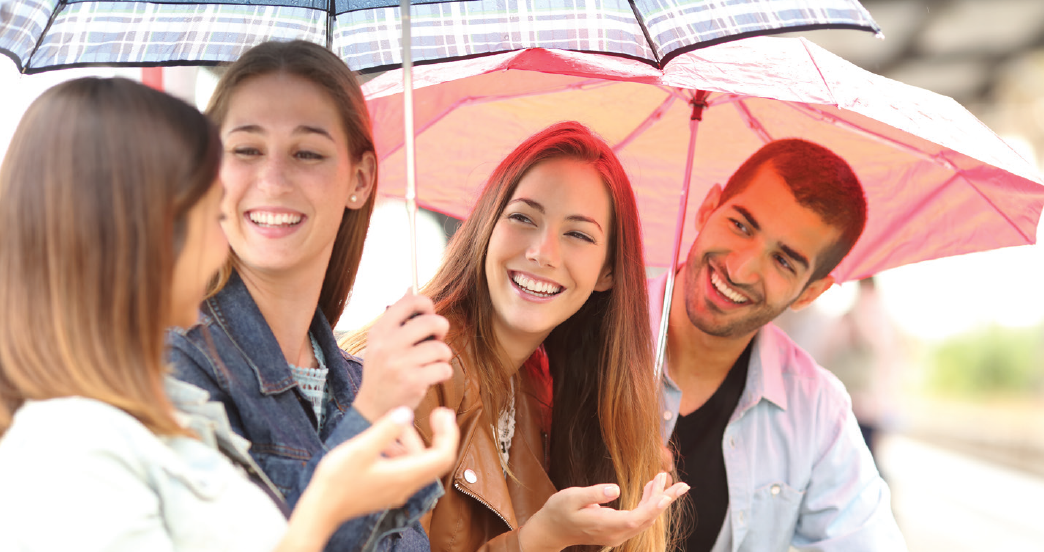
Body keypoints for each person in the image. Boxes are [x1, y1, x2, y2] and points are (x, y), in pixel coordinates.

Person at [0, 77, 459, 552]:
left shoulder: (169, 419)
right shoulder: (71, 442)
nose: (223, 237)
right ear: (136, 232)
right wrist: (327, 502)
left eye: (307, 153)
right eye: (209, 209)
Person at [345, 122, 687, 552]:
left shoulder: (542, 389)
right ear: (488, 225)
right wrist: (541, 540)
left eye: (578, 234)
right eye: (523, 217)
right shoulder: (412, 371)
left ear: (607, 272)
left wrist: (629, 459)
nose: (542, 252)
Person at [168, 40, 454, 550]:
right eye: (247, 150)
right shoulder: (175, 366)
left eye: (307, 153)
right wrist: (369, 416)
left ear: (360, 179)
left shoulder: (362, 378)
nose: (273, 180)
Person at [653, 138, 907, 551]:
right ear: (707, 207)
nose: (740, 269)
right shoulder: (581, 329)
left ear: (810, 293)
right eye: (740, 225)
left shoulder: (817, 411)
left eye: (784, 261)